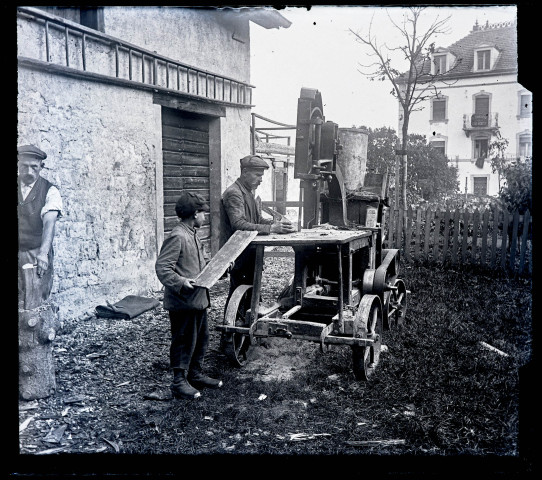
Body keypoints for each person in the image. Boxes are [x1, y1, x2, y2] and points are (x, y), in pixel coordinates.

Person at [155, 191, 223, 400]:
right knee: (183, 341)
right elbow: (163, 268)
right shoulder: (178, 235)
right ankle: (178, 382)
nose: (205, 217)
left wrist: (220, 269)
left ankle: (195, 374)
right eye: (203, 213)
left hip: (197, 300)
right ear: (195, 214)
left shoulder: (192, 234)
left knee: (201, 339)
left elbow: (197, 265)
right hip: (183, 302)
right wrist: (181, 282)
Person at [222, 154, 295, 305]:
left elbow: (257, 220)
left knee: (251, 287)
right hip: (239, 252)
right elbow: (238, 224)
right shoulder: (234, 193)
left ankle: (250, 317)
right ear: (244, 173)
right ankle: (235, 323)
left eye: (261, 175)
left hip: (249, 249)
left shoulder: (248, 192)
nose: (261, 179)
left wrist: (278, 225)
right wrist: (271, 228)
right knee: (239, 289)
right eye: (257, 175)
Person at [18, 144, 63, 306]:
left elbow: (49, 223)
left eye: (34, 167)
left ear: (41, 167)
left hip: (36, 252)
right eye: (24, 166)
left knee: (35, 300)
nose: (29, 172)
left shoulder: (50, 191)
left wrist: (43, 253)